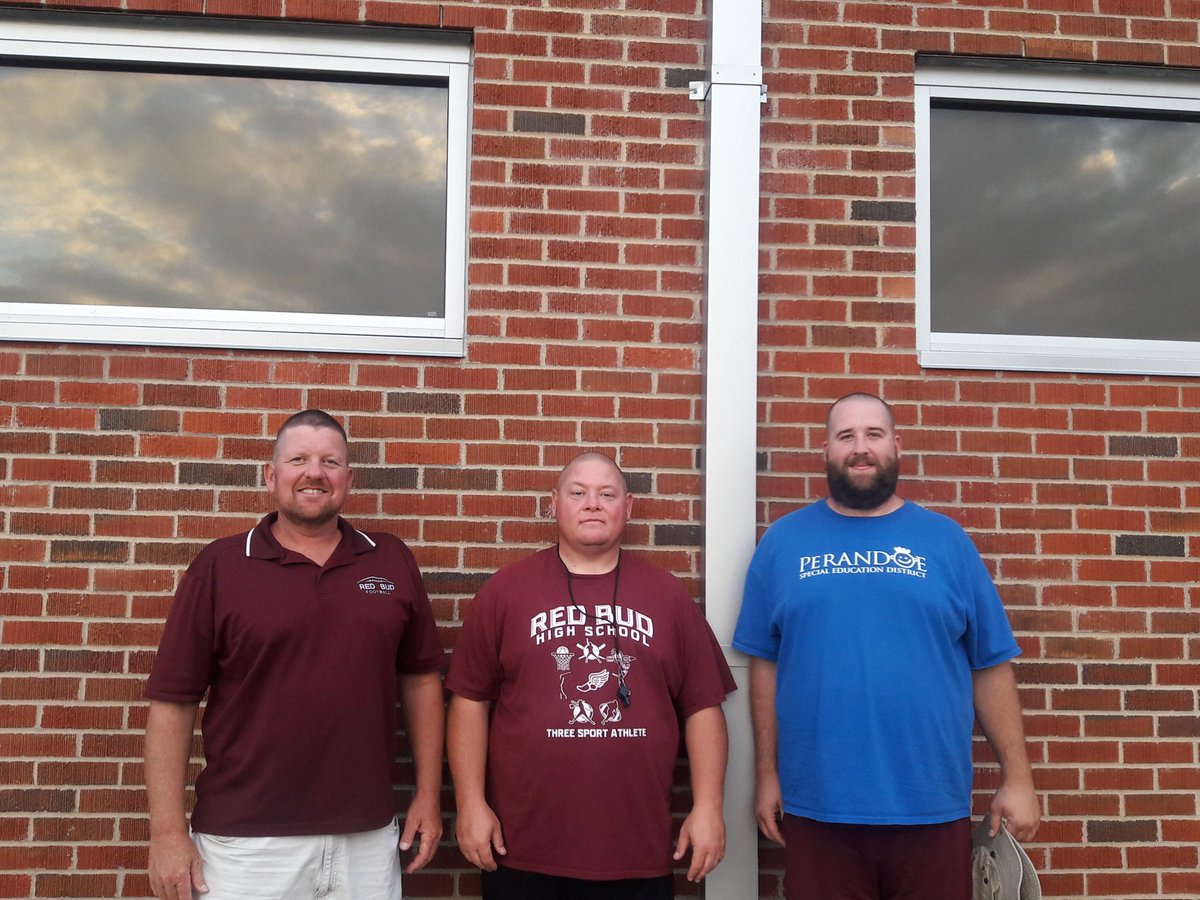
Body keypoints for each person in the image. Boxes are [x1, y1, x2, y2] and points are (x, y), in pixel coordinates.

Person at [733, 392, 1040, 900]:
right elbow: (765, 663)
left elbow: (989, 665)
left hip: (931, 805)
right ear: (825, 449)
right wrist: (766, 773)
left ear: (896, 445)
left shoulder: (946, 542)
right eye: (845, 436)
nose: (860, 448)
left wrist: (1018, 778)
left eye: (873, 435)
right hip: (817, 808)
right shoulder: (783, 543)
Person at [143, 409, 445, 900]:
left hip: (366, 840)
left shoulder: (390, 559)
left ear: (348, 478)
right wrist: (167, 833)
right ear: (271, 475)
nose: (314, 473)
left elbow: (421, 680)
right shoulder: (220, 566)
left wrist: (428, 796)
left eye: (330, 461)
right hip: (245, 844)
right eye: (298, 459)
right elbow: (172, 703)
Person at [446, 452, 735, 899]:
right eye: (578, 493)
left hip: (637, 851)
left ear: (629, 507)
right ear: (555, 503)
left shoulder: (667, 596)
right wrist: (469, 803)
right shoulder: (507, 591)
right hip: (522, 847)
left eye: (607, 494)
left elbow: (702, 706)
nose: (592, 504)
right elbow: (469, 701)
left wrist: (709, 807)